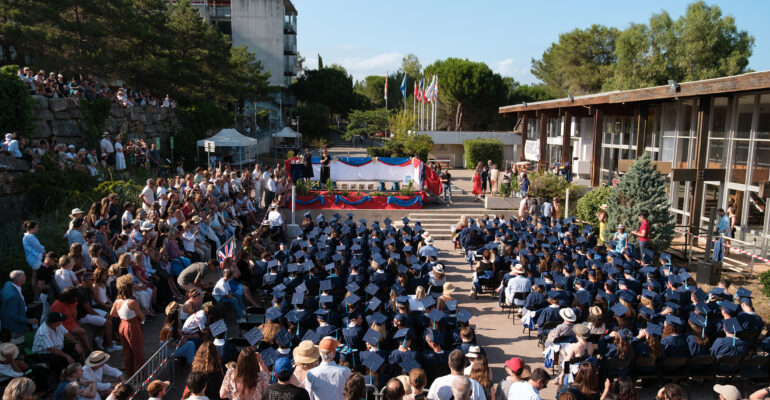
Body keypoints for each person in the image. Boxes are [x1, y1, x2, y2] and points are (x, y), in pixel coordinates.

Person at [109, 274, 145, 376]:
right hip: (133, 326)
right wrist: (141, 324)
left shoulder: (117, 301)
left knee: (127, 352)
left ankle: (130, 374)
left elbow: (112, 314)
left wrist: (122, 316)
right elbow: (142, 316)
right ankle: (139, 376)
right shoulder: (132, 302)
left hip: (122, 325)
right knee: (138, 353)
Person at [1, 270, 37, 342]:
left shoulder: (8, 284)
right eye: (24, 277)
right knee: (18, 342)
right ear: (18, 281)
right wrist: (28, 321)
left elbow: (1, 293)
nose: (26, 278)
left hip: (13, 318)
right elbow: (12, 315)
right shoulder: (13, 296)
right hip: (15, 326)